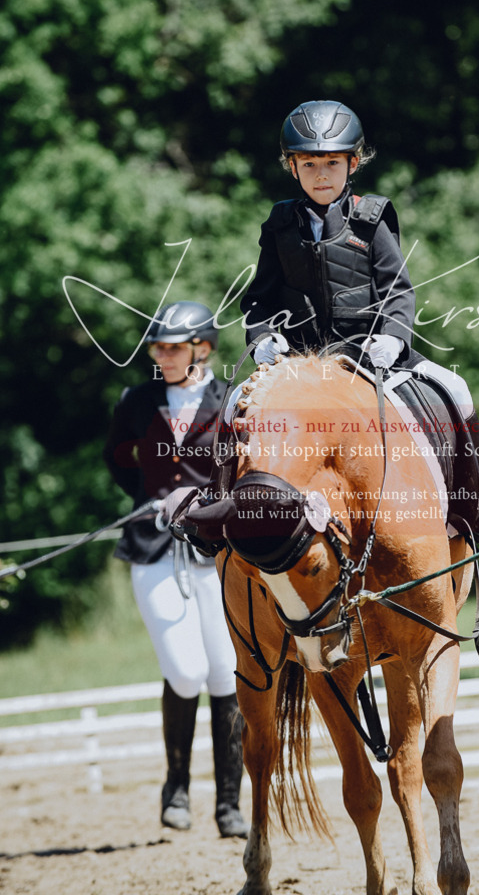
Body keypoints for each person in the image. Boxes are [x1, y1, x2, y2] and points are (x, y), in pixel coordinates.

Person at [103, 301, 249, 840]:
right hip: (152, 547)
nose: (160, 355)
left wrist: (208, 503)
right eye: (157, 347)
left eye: (171, 347)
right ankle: (177, 786)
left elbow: (242, 468)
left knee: (224, 673)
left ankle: (230, 804)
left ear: (202, 349)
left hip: (216, 551)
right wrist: (154, 497)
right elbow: (117, 458)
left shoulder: (230, 401)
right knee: (185, 671)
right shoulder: (137, 401)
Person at [239, 98, 474, 413]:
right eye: (309, 163)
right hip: (296, 363)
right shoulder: (280, 225)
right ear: (292, 166)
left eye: (332, 163)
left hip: (370, 358)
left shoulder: (371, 220)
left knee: (456, 389)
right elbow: (259, 300)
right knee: (232, 407)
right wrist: (261, 339)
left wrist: (393, 339)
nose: (321, 175)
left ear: (352, 163)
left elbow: (397, 289)